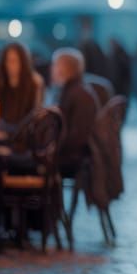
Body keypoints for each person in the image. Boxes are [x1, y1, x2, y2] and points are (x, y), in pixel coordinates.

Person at [50, 48, 98, 178]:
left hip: (73, 159)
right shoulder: (70, 91)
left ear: (65, 68)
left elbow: (78, 137)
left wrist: (53, 149)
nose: (52, 69)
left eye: (55, 65)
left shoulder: (78, 94)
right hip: (70, 154)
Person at [0, 43, 44, 131]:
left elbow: (35, 115)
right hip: (0, 131)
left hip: (24, 134)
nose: (10, 65)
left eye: (15, 61)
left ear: (23, 62)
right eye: (8, 61)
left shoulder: (34, 83)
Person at [108, 39, 132, 108]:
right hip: (118, 86)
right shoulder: (115, 55)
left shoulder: (120, 56)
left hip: (120, 86)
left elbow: (125, 73)